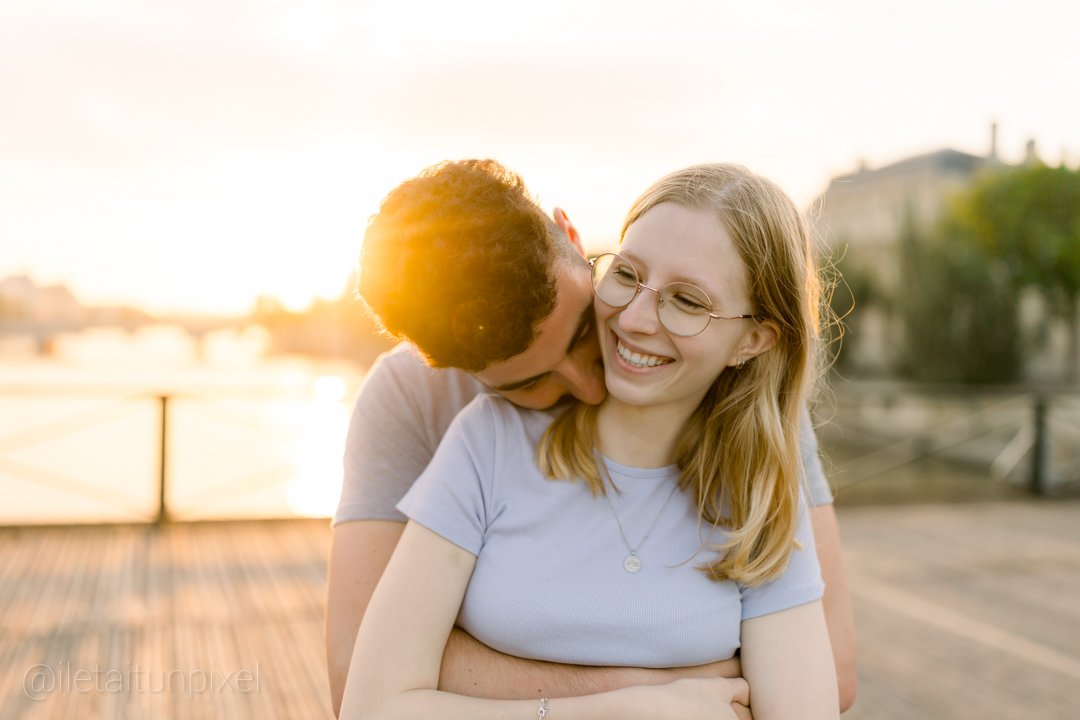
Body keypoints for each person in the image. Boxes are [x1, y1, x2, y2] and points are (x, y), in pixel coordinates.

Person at [326, 160, 856, 716]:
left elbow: (826, 679)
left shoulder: (757, 458)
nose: (591, 381)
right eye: (529, 383)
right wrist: (637, 704)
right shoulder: (469, 430)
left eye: (688, 301)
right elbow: (364, 692)